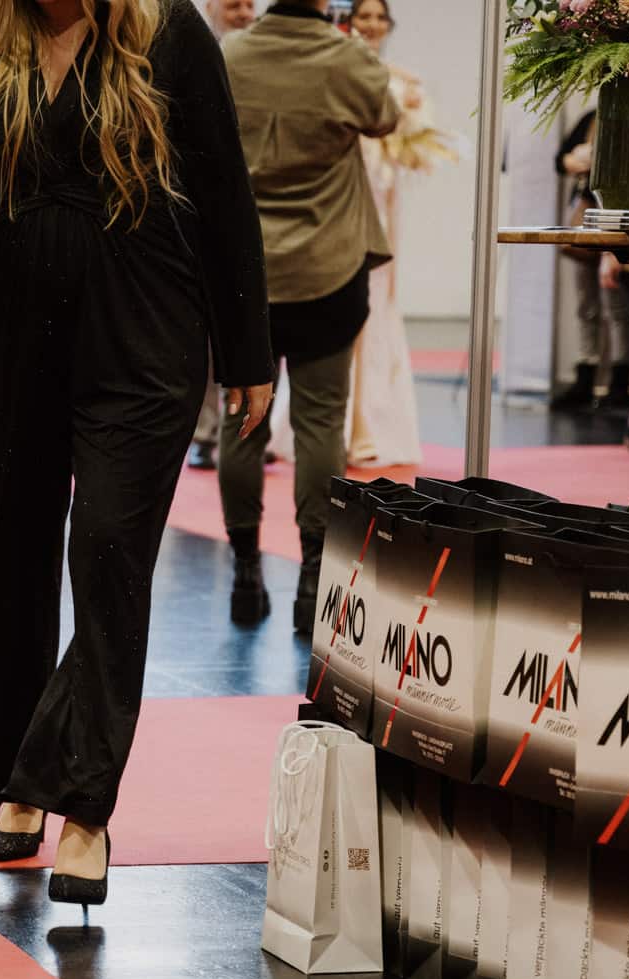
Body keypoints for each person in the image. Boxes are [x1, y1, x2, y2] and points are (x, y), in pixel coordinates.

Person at [0, 0, 273, 904]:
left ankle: (85, 805)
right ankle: (19, 773)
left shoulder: (171, 31)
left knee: (109, 551)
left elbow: (221, 189)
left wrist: (249, 349)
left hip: (145, 319)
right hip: (13, 319)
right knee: (11, 551)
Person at [220, 0, 397, 635]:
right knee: (321, 422)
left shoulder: (232, 53)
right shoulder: (345, 57)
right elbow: (385, 116)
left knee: (241, 418)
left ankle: (244, 569)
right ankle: (311, 578)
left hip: (244, 275)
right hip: (328, 266)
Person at [344, 0, 432, 468]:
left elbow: (414, 153)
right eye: (365, 17)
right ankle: (350, 423)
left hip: (384, 198)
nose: (373, 26)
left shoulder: (402, 80)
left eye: (380, 18)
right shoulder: (345, 70)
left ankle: (373, 420)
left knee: (380, 305)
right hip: (347, 195)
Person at [187, 0, 258, 470]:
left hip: (246, 215)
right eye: (234, 5)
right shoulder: (193, 49)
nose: (243, 13)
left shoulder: (253, 55)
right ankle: (204, 434)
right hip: (198, 222)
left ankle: (235, 433)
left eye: (250, 4)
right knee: (204, 344)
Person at [554, 109, 629, 414]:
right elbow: (560, 158)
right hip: (585, 215)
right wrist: (576, 161)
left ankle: (619, 377)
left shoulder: (628, 115)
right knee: (586, 302)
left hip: (612, 217)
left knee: (615, 303)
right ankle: (586, 374)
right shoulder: (592, 117)